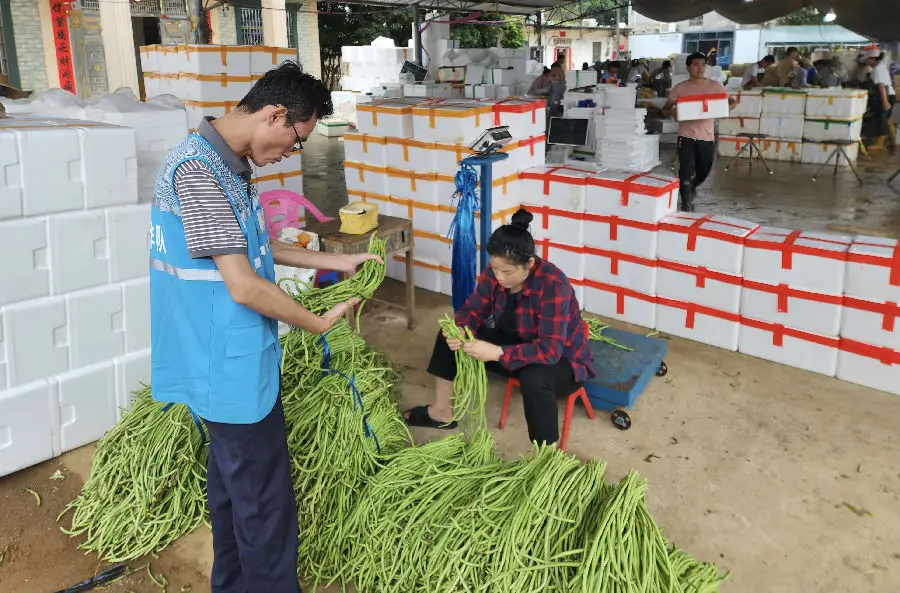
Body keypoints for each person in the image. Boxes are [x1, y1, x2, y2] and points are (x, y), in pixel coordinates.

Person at [149, 62, 381, 593]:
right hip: (223, 366)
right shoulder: (199, 174)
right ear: (275, 115)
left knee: (234, 491)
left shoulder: (225, 164)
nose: (289, 154)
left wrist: (338, 262)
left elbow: (247, 246)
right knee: (265, 505)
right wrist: (316, 322)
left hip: (230, 357)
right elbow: (245, 285)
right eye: (295, 141)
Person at [403, 209, 594, 445]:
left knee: (534, 377)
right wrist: (461, 328)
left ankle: (547, 457)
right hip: (514, 345)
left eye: (507, 272)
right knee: (448, 335)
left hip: (560, 363)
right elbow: (472, 310)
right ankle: (441, 412)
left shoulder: (554, 285)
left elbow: (550, 350)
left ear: (530, 264)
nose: (499, 277)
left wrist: (497, 353)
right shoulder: (494, 274)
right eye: (495, 269)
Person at [663, 52, 735, 212]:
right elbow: (666, 109)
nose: (700, 68)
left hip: (706, 135)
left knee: (704, 170)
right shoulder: (680, 88)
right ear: (688, 67)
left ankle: (693, 185)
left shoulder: (715, 86)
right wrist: (673, 112)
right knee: (685, 170)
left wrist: (724, 109)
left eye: (703, 64)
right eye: (696, 64)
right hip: (686, 135)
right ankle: (686, 202)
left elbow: (731, 102)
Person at [866, 48, 896, 151]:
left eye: (868, 59)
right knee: (887, 120)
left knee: (881, 119)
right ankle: (894, 143)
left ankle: (880, 144)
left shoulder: (878, 69)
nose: (867, 61)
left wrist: (885, 101)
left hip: (885, 95)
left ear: (874, 59)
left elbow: (881, 86)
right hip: (889, 94)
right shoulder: (880, 67)